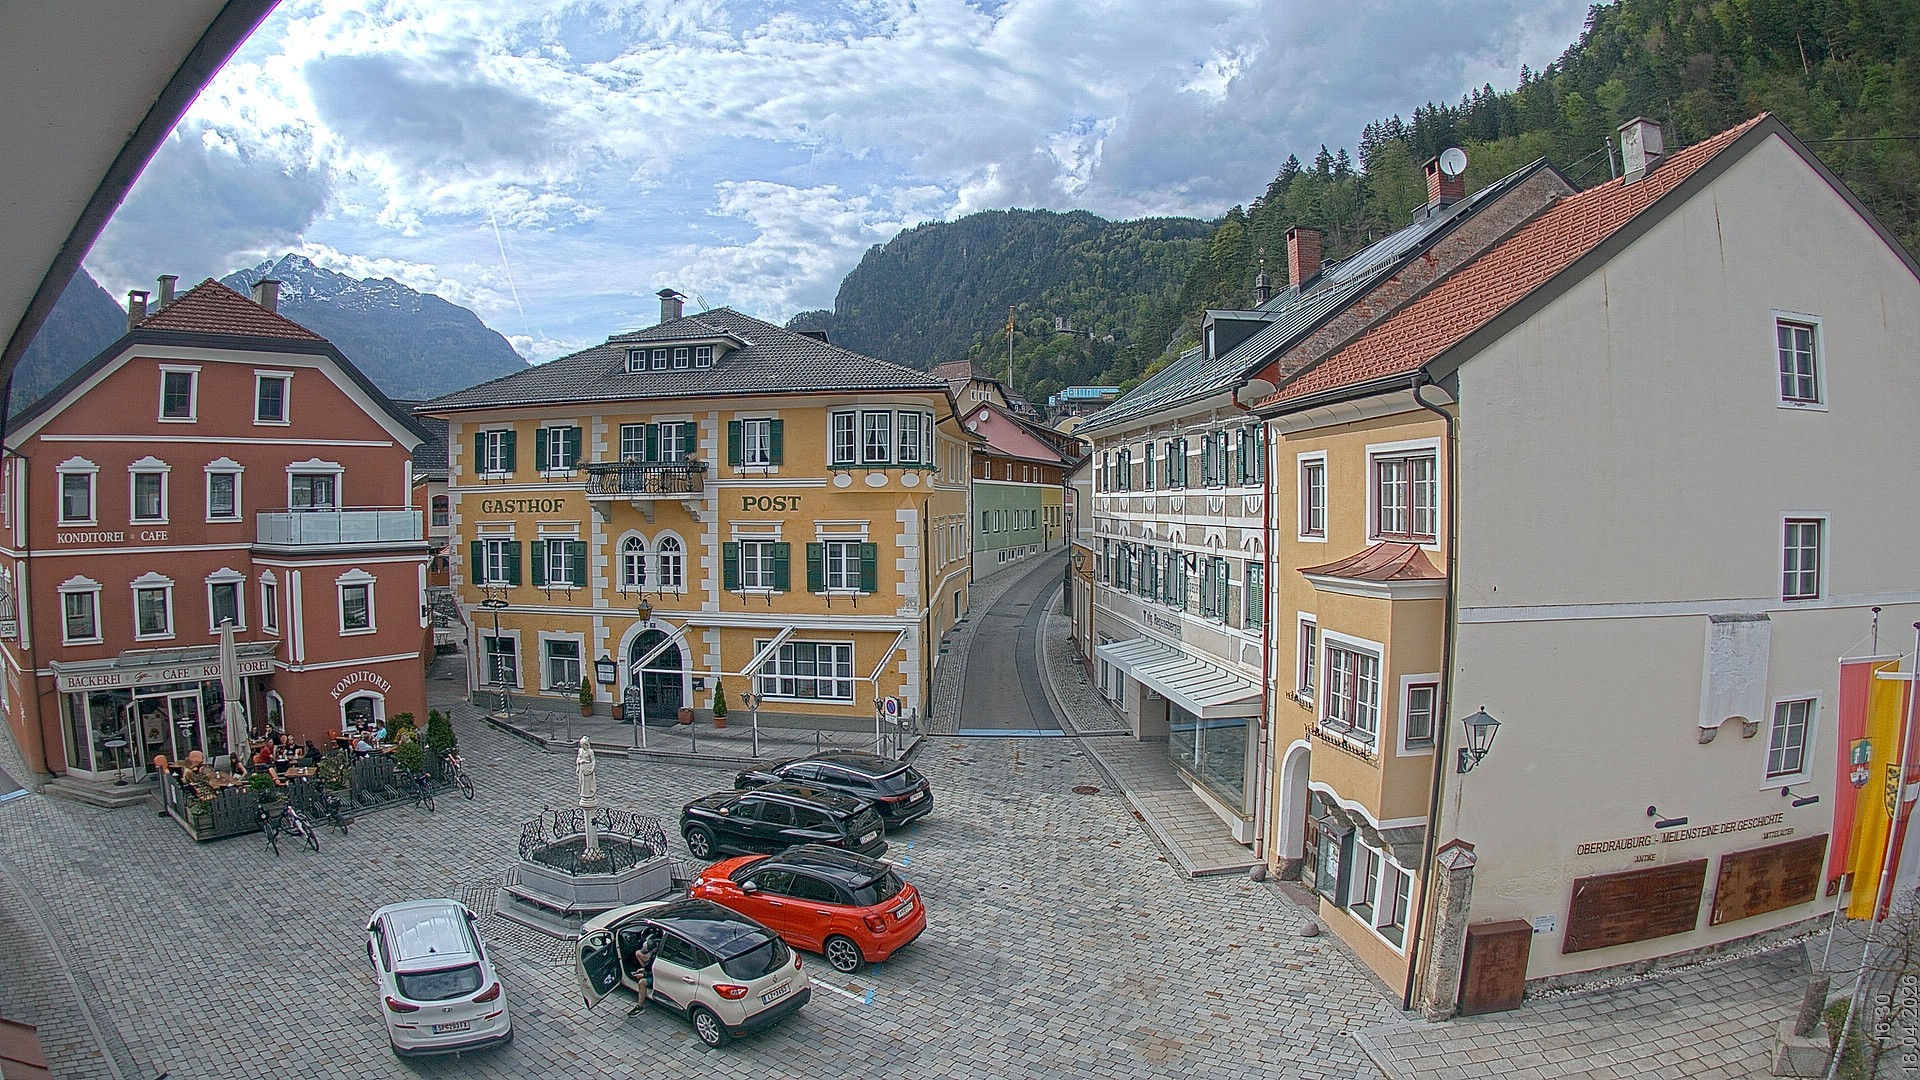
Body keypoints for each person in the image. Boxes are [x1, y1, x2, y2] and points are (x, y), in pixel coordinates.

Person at [627, 932, 659, 1015]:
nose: (648, 953)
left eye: (649, 951)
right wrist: (643, 970)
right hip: (653, 971)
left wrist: (644, 975)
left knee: (642, 982)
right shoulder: (655, 950)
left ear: (654, 949)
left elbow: (657, 972)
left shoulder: (658, 956)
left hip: (659, 977)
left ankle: (639, 1006)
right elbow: (650, 965)